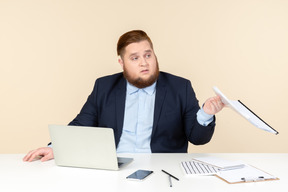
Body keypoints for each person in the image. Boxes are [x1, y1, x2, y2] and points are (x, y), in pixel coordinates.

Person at [23, 30, 224, 162]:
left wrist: (206, 113)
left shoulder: (180, 87)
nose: (144, 63)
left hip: (164, 169)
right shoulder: (104, 86)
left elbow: (198, 138)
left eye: (148, 55)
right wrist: (55, 147)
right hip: (114, 166)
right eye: (135, 58)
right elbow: (81, 124)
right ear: (121, 63)